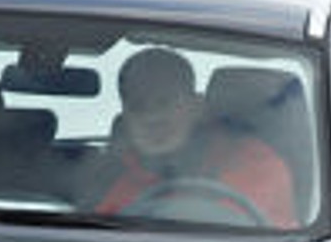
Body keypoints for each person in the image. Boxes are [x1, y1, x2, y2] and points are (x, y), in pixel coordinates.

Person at [85, 47, 297, 226]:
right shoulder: (116, 176)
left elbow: (219, 231)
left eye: (164, 102)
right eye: (137, 106)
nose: (151, 117)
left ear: (197, 107)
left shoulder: (254, 163)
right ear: (125, 118)